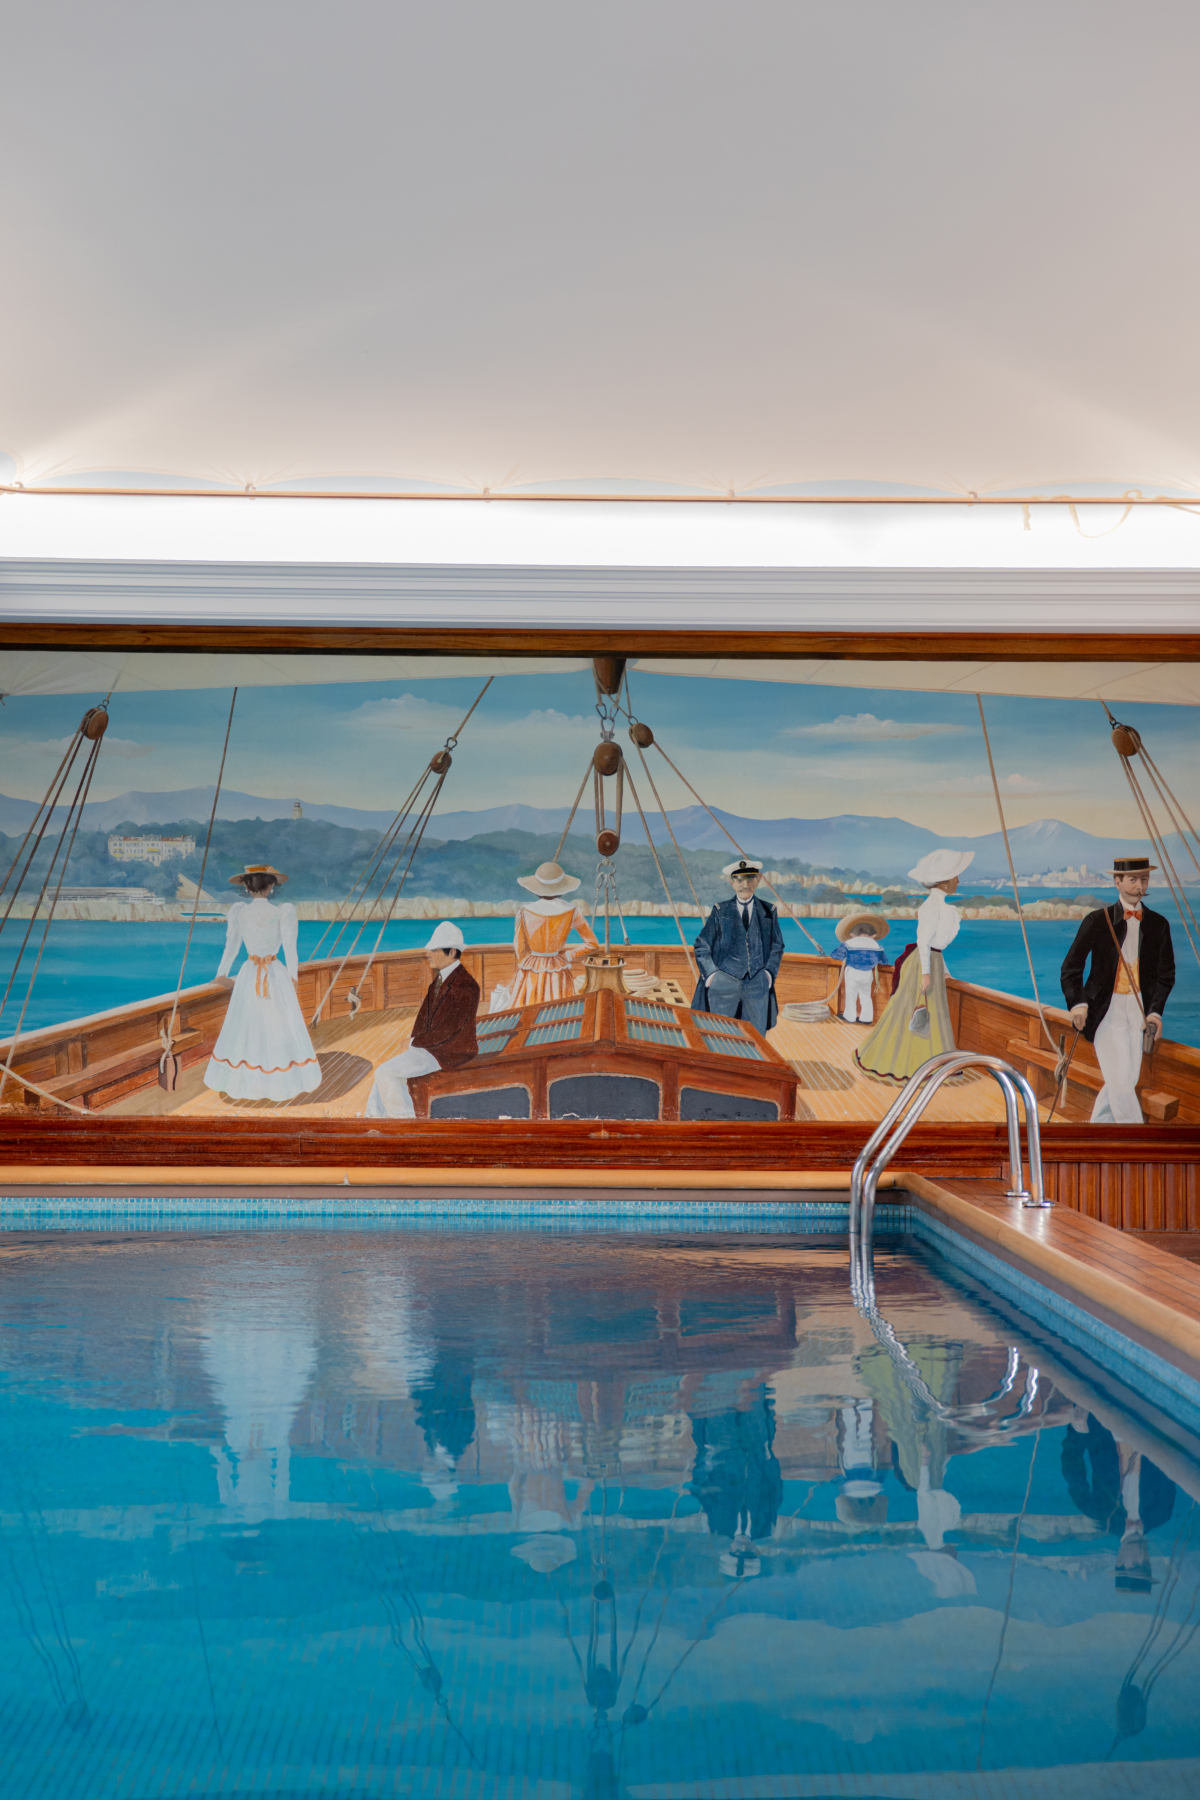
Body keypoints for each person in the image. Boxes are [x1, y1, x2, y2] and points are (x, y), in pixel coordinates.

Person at [1060, 856, 1176, 1125]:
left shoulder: (1159, 924)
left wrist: (1155, 1013)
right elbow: (1071, 968)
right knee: (1121, 1085)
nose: (1139, 886)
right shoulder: (1096, 921)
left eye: (1144, 879)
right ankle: (1139, 1141)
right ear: (1117, 882)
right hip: (1104, 1010)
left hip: (1139, 1011)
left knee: (1123, 1080)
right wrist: (1078, 1004)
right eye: (1133, 879)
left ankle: (1097, 1132)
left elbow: (1166, 976)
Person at [854, 848, 974, 1083]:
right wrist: (926, 974)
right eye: (956, 876)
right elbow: (924, 941)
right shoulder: (934, 907)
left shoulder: (939, 906)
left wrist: (942, 971)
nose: (959, 881)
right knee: (913, 1012)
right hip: (923, 965)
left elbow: (934, 947)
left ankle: (924, 1065)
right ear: (945, 881)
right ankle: (905, 1067)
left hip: (930, 963)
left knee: (924, 1014)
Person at [204, 863, 322, 1101]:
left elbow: (231, 946)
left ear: (247, 888)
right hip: (275, 973)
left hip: (249, 973)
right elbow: (290, 949)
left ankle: (248, 1082)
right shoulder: (284, 911)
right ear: (271, 887)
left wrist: (221, 974)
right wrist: (293, 978)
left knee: (248, 1025)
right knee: (277, 1024)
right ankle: (280, 1082)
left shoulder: (238, 911)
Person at [365, 922, 480, 1119]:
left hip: (449, 1052)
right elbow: (423, 1019)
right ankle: (373, 1121)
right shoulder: (441, 979)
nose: (428, 954)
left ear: (452, 952)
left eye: (434, 950)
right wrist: (413, 1045)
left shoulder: (466, 986)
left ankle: (405, 1123)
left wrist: (413, 1042)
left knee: (386, 1072)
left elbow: (448, 1029)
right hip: (433, 1047)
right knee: (383, 1073)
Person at [691, 858, 786, 1035]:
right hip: (723, 982)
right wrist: (711, 975)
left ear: (758, 880)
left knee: (756, 1037)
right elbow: (701, 945)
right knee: (720, 1034)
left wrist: (768, 974)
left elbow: (777, 946)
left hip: (758, 983)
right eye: (739, 880)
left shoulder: (769, 911)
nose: (745, 885)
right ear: (732, 883)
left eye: (750, 879)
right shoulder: (720, 910)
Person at [508, 861, 600, 1011]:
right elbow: (593, 943)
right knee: (559, 1011)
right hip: (557, 967)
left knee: (527, 1009)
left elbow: (520, 948)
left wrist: (527, 964)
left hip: (531, 968)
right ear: (561, 889)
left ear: (536, 889)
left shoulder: (524, 911)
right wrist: (568, 955)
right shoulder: (572, 911)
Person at [833, 913, 890, 1024]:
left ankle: (850, 1017)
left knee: (851, 995)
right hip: (867, 973)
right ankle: (866, 1018)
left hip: (853, 972)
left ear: (852, 934)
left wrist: (848, 957)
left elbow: (835, 955)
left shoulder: (849, 943)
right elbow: (884, 961)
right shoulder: (876, 945)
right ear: (873, 935)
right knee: (866, 995)